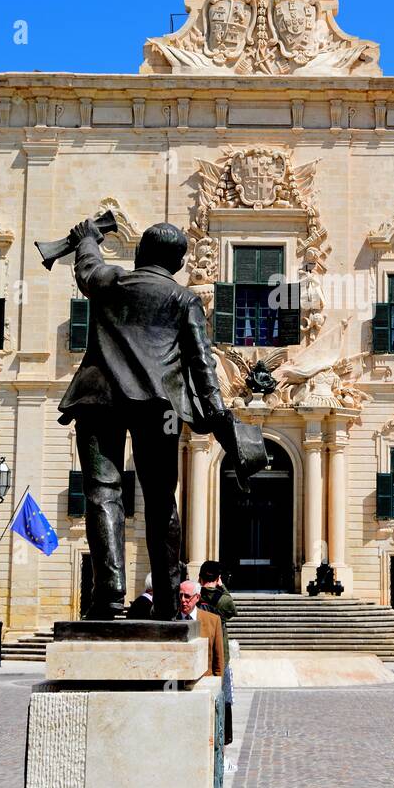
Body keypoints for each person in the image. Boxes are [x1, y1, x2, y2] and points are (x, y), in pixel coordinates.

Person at [56, 219, 264, 621]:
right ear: (180, 263)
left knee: (103, 492)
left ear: (140, 254)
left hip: (98, 399)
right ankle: (169, 600)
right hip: (160, 408)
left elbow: (87, 268)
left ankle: (109, 594)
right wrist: (222, 418)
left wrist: (86, 239)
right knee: (160, 501)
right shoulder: (183, 300)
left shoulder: (111, 282)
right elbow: (203, 367)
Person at [200, 561, 237, 746]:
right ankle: (224, 737)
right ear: (218, 579)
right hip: (220, 656)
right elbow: (232, 609)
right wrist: (223, 587)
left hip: (201, 654)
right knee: (224, 697)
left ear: (200, 578)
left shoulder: (194, 597)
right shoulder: (223, 600)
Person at [178, 579, 224, 678]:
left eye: (187, 596)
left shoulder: (213, 621)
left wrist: (218, 684)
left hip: (205, 681)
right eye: (180, 595)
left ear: (197, 597)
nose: (182, 600)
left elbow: (218, 658)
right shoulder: (171, 620)